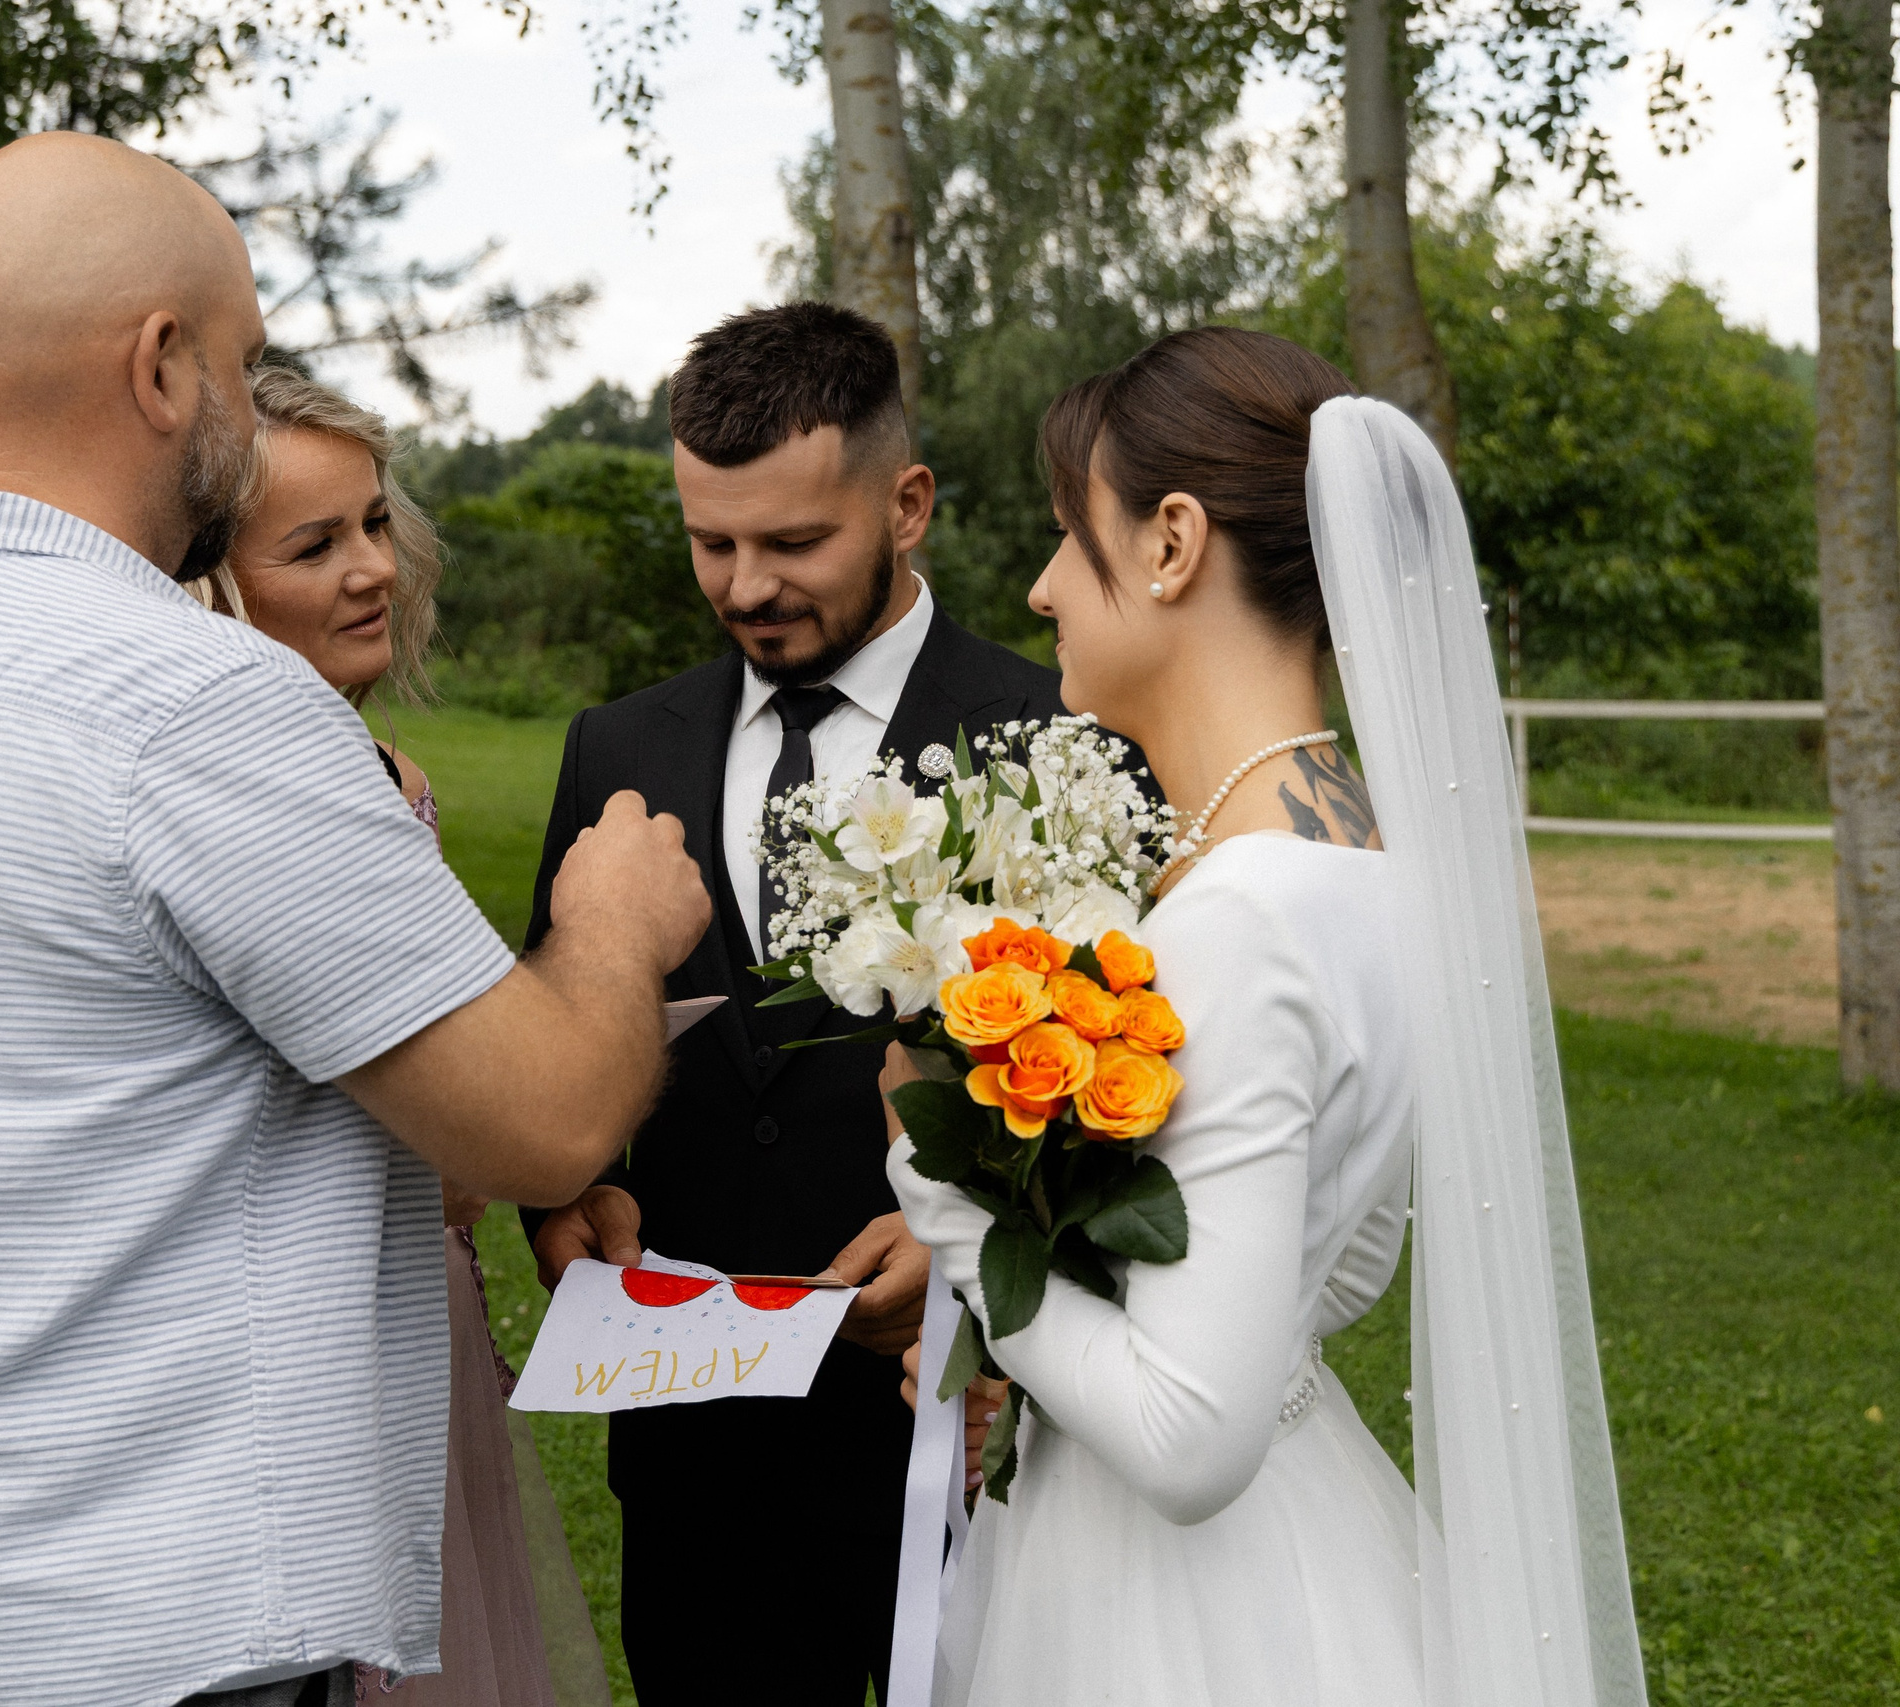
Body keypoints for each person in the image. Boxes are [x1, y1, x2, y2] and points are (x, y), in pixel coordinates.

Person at [0, 133, 709, 1707]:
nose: (247, 395)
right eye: (243, 356)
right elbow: (551, 1116)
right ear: (164, 368)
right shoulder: (188, 701)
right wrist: (613, 923)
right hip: (144, 1623)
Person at [883, 328, 1643, 1706]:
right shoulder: (1382, 871)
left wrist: (941, 1192)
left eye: (1072, 532)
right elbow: (1331, 1276)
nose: (1047, 588)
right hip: (1309, 1538)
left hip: (1174, 1617)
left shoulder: (1238, 920)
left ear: (1172, 543)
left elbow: (1186, 1437)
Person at [522, 302, 1078, 1705]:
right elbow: (562, 1023)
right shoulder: (617, 747)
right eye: (713, 542)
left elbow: (1125, 1086)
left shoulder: (1055, 739)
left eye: (793, 544)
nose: (745, 585)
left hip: (947, 1426)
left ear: (907, 506)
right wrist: (570, 1188)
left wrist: (972, 1237)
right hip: (690, 1441)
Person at [184, 365, 593, 1707]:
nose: (373, 572)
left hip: (428, 1305)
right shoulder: (246, 790)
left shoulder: (389, 774)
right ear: (215, 586)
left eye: (375, 524)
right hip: (321, 1337)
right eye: (314, 544)